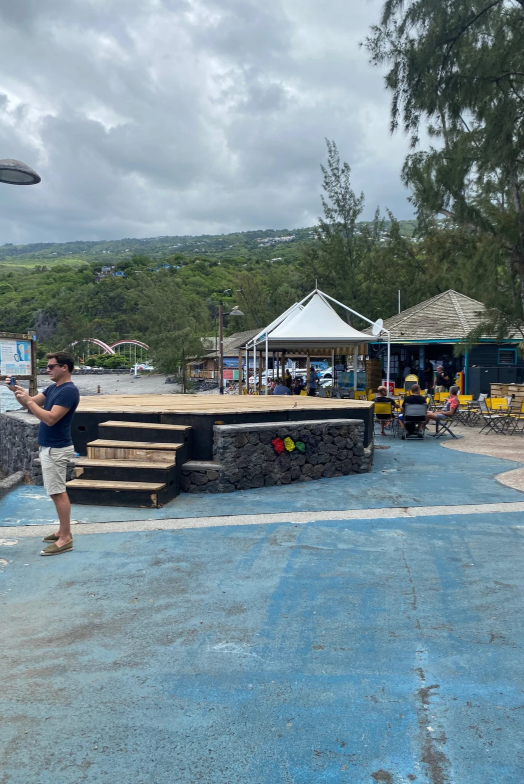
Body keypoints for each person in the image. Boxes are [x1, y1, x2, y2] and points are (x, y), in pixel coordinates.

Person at [6, 352, 80, 556]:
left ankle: (66, 538)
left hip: (57, 448)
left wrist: (29, 402)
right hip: (49, 447)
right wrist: (17, 392)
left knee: (58, 492)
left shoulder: (68, 391)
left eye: (51, 366)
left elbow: (50, 418)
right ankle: (61, 531)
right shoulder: (53, 388)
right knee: (54, 491)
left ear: (64, 367)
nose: (47, 370)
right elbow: (30, 402)